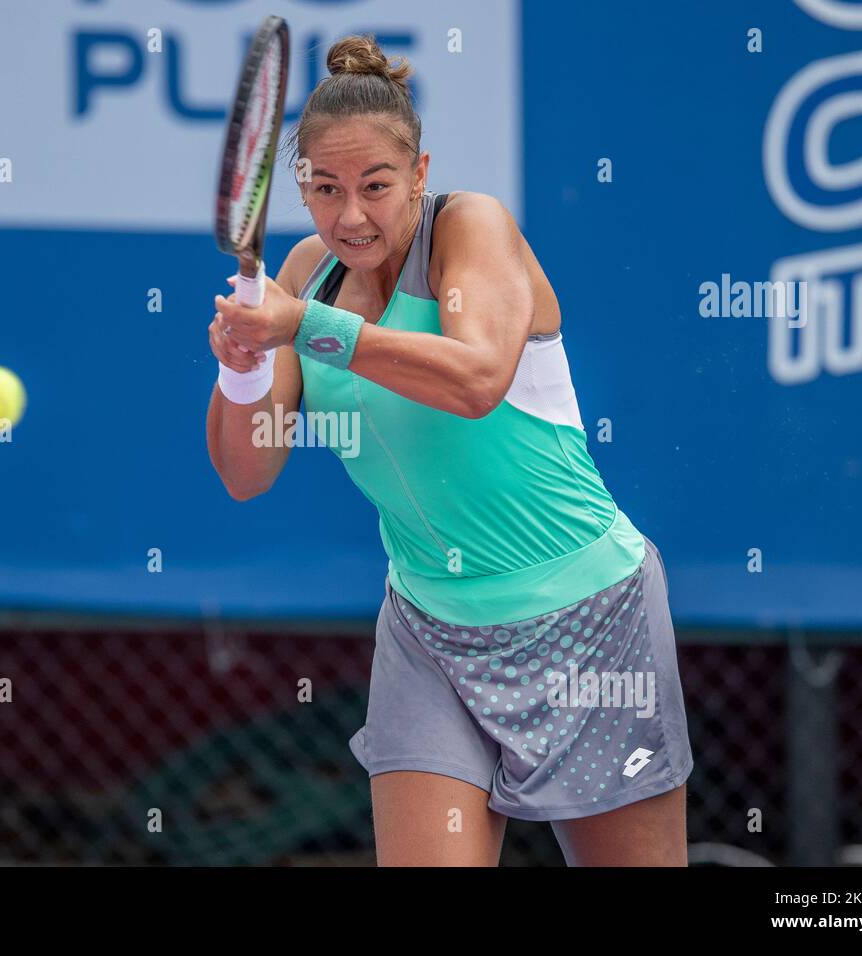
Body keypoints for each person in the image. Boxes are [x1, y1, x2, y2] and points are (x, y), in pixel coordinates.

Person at [205, 34, 693, 866]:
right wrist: (243, 370)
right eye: (325, 189)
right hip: (431, 629)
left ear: (420, 174)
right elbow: (247, 472)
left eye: (375, 186)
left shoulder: (473, 227)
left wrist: (306, 328)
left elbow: (475, 382)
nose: (350, 215)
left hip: (590, 618)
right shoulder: (302, 272)